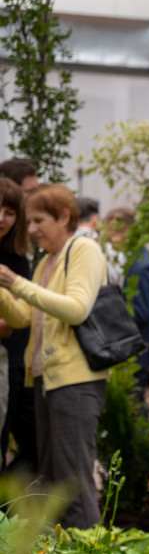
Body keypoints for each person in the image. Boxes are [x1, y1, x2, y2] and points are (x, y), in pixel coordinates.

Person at [0, 184, 108, 528]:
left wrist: (16, 283)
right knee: (52, 485)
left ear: (64, 217)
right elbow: (21, 317)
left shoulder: (84, 250)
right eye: (28, 221)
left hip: (75, 381)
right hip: (48, 380)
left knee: (74, 483)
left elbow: (76, 309)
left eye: (38, 220)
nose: (30, 230)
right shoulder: (47, 261)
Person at [101, 207, 149, 392]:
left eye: (114, 233)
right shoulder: (131, 261)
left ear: (128, 231)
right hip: (129, 351)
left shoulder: (142, 266)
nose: (110, 240)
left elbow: (140, 313)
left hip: (136, 354)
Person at [0, 179, 33, 474]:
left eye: (9, 212)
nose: (1, 218)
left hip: (12, 361)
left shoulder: (17, 263)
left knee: (15, 437)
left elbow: (14, 322)